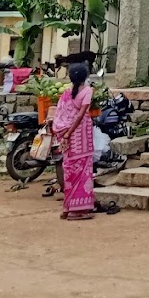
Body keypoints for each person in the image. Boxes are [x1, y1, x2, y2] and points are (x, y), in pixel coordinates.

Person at [51, 62, 94, 220]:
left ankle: (67, 208)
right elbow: (81, 114)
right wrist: (70, 133)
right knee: (82, 172)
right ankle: (79, 210)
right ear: (86, 76)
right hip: (79, 137)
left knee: (69, 171)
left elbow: (61, 114)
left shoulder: (67, 93)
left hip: (67, 139)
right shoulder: (88, 91)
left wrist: (66, 134)